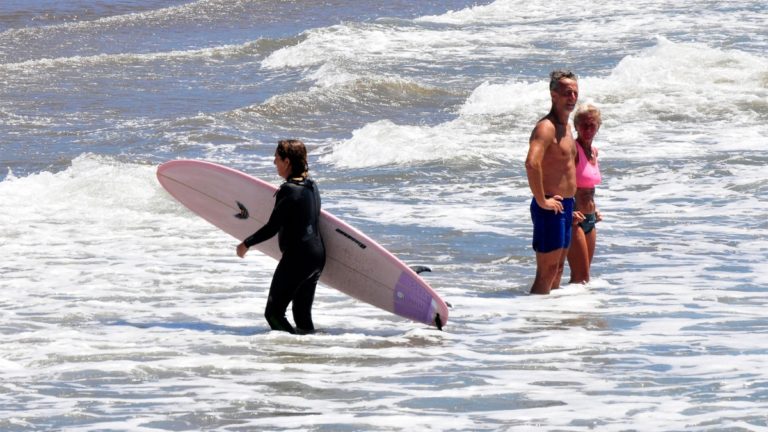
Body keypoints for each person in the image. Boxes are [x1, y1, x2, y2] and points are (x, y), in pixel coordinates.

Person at [236, 139, 326, 334]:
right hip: (316, 258)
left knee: (273, 314)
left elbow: (272, 227)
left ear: (287, 162)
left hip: (297, 259)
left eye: (276, 158)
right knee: (302, 316)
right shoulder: (312, 186)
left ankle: (292, 352)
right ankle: (312, 352)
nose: (274, 162)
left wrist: (246, 243)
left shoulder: (288, 190)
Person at [525, 70, 579, 294]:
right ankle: (532, 321)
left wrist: (571, 205)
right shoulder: (546, 128)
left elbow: (566, 169)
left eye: (576, 93)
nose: (573, 98)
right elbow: (531, 163)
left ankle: (548, 321)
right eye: (567, 93)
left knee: (557, 270)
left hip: (565, 206)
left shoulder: (566, 127)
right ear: (553, 95)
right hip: (550, 207)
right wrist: (542, 201)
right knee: (547, 271)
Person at [567, 104, 603, 284]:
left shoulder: (594, 151)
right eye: (583, 125)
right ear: (576, 126)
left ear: (598, 126)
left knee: (585, 278)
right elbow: (563, 183)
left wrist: (594, 210)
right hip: (575, 220)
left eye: (592, 125)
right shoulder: (573, 150)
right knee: (580, 277)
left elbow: (588, 186)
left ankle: (581, 312)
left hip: (590, 218)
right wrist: (570, 211)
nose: (588, 129)